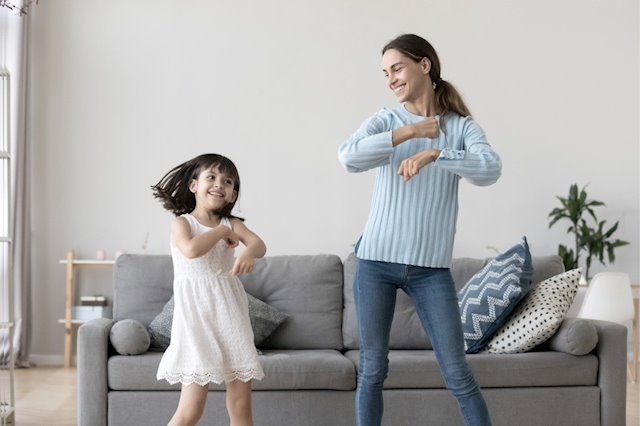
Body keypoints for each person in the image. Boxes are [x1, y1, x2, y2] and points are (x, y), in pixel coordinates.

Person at [338, 34, 501, 426]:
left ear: (423, 65)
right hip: (375, 263)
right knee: (373, 369)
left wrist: (439, 153)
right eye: (385, 73)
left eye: (397, 68)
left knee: (457, 372)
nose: (390, 79)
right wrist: (410, 133)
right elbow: (348, 158)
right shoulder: (386, 120)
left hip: (431, 271)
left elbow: (490, 168)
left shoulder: (461, 128)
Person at [152, 153, 266, 426]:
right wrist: (220, 233)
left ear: (232, 193)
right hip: (196, 321)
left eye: (227, 181)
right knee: (191, 410)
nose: (219, 184)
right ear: (194, 185)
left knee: (241, 407)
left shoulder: (233, 223)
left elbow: (260, 245)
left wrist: (248, 251)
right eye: (211, 177)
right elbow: (191, 250)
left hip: (230, 315)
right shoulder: (182, 223)